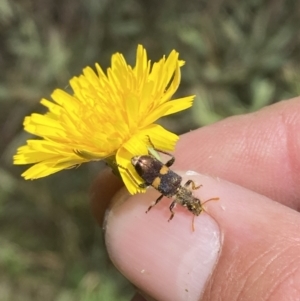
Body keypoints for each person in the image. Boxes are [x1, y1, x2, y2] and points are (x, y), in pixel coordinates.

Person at [90, 97, 300, 301]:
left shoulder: (178, 184)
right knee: (159, 177)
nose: (191, 204)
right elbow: (166, 203)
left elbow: (166, 197)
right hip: (144, 164)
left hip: (144, 166)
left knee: (163, 170)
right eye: (193, 203)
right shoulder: (173, 193)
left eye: (191, 205)